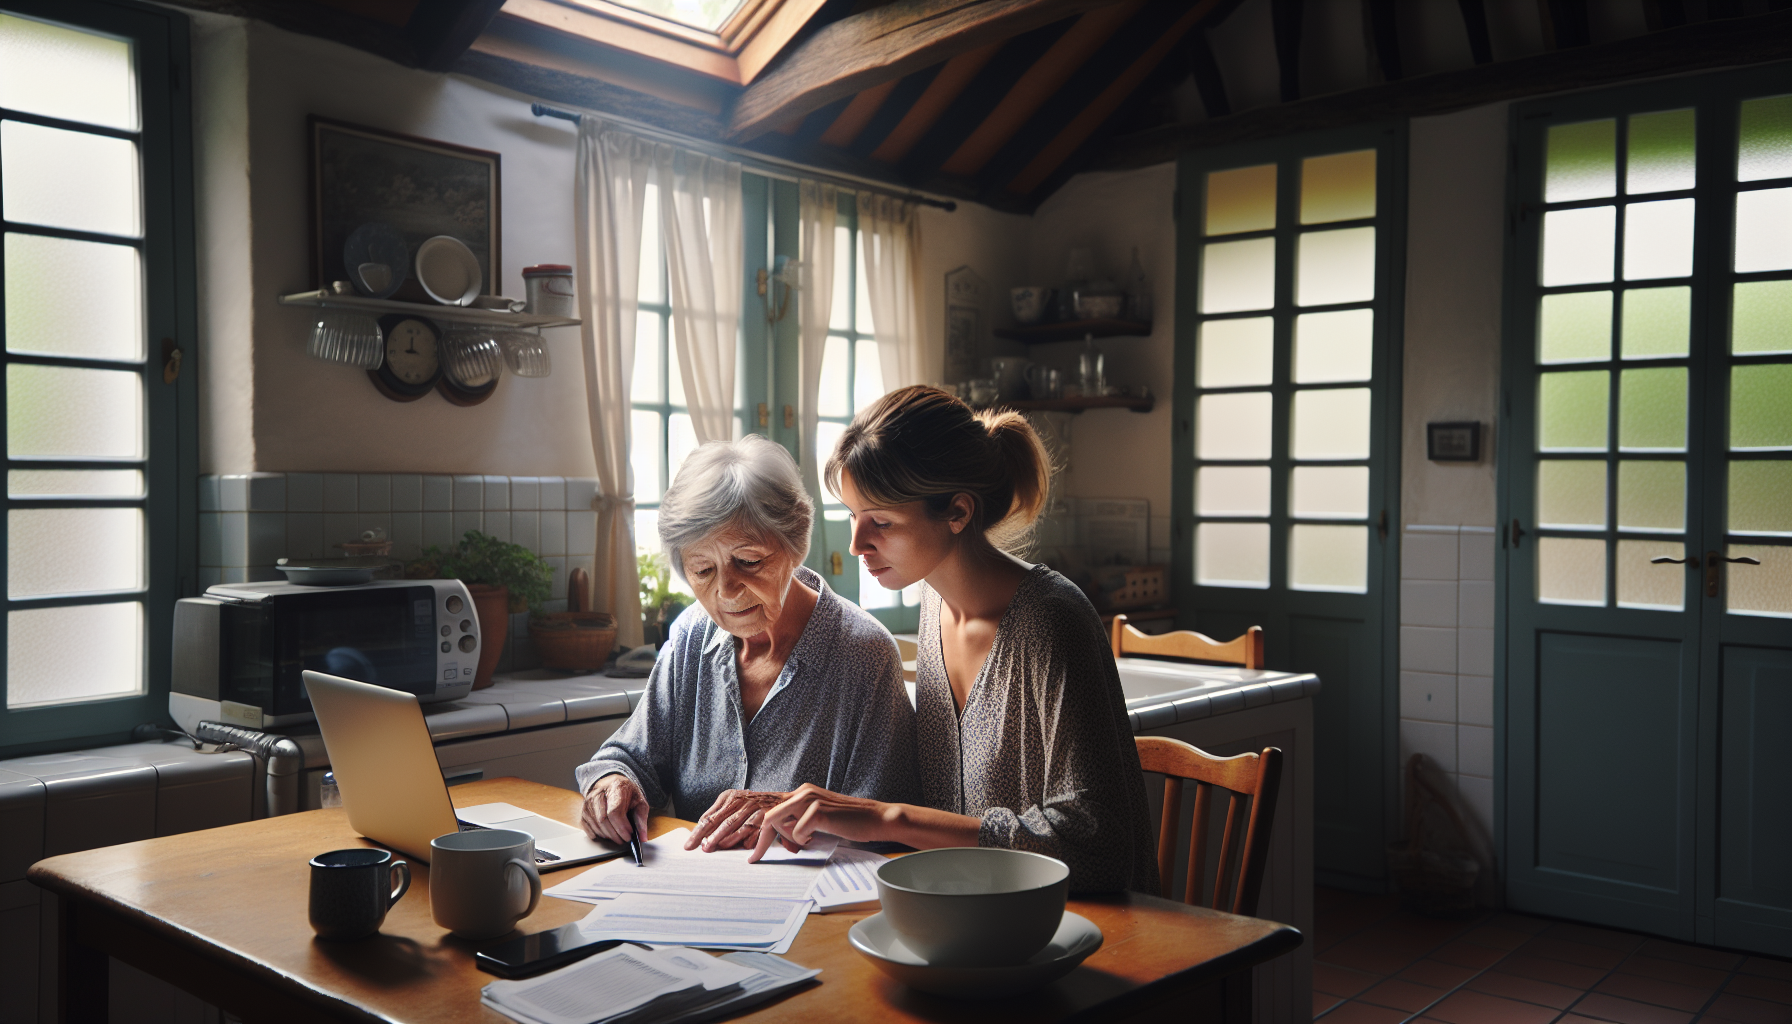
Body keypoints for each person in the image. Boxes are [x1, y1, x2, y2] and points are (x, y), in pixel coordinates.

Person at [687, 386, 1157, 893]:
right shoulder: (933, 607)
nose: (857, 543)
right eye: (852, 515)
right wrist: (792, 801)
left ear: (957, 512)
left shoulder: (1051, 621)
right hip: (971, 916)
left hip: (1078, 930)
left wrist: (889, 818)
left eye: (882, 522)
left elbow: (1100, 848)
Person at [575, 434, 918, 850]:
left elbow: (889, 830)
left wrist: (791, 814)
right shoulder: (691, 636)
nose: (727, 591)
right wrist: (614, 783)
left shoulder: (863, 653)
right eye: (703, 570)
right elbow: (630, 757)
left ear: (795, 543)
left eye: (749, 562)